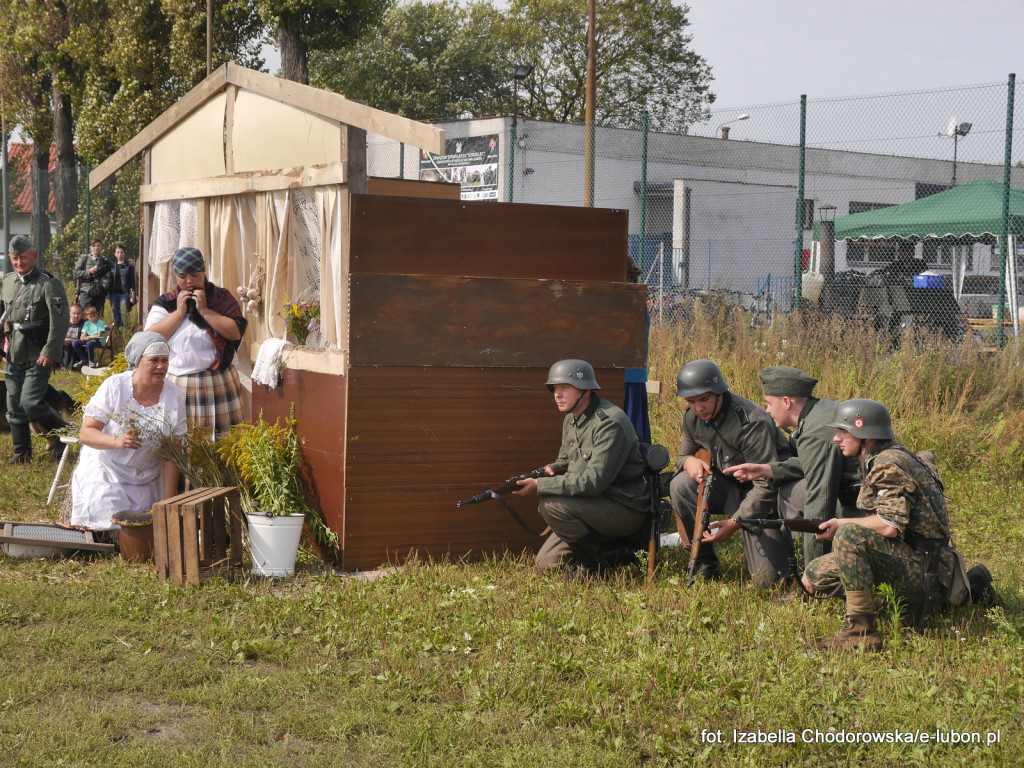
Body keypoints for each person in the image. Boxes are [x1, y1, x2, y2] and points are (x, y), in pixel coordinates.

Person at [801, 399, 958, 651]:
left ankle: (860, 633)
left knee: (850, 535)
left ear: (864, 433)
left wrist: (840, 523)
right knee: (815, 574)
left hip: (926, 569)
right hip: (919, 558)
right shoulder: (887, 454)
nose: (836, 438)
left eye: (843, 431)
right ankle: (888, 600)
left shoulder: (887, 463)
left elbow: (889, 525)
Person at [512, 359, 649, 575]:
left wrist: (540, 484)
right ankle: (619, 553)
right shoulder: (572, 419)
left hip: (624, 506)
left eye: (564, 387)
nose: (557, 394)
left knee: (551, 505)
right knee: (547, 564)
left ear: (585, 390)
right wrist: (547, 470)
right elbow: (565, 461)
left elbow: (593, 481)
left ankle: (593, 568)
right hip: (593, 505)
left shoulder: (609, 422)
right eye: (554, 388)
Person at [669, 359, 794, 588]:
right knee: (680, 484)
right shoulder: (692, 418)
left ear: (719, 393)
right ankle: (704, 564)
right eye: (691, 401)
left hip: (766, 499)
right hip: (729, 488)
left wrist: (735, 522)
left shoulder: (751, 422)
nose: (699, 408)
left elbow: (767, 485)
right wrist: (688, 462)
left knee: (768, 582)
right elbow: (681, 456)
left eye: (704, 399)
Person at [724, 366, 861, 571]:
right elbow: (813, 460)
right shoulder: (821, 411)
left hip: (863, 509)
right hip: (864, 500)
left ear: (787, 401)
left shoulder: (815, 432)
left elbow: (819, 505)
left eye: (769, 403)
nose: (767, 411)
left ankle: (825, 577)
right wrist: (767, 470)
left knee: (795, 496)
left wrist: (813, 574)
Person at [67, 332, 185, 532]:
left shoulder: (175, 396)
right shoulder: (115, 386)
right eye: (154, 360)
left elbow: (173, 454)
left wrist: (168, 503)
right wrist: (117, 441)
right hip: (107, 467)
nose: (161, 366)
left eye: (165, 360)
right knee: (107, 516)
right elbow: (86, 433)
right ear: (137, 361)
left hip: (147, 476)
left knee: (139, 527)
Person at [144, 247, 247, 437]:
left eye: (195, 275)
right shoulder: (166, 303)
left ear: (204, 273)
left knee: (223, 447)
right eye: (183, 276)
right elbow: (150, 338)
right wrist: (179, 313)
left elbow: (235, 332)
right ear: (176, 276)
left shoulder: (221, 298)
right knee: (183, 445)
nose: (189, 281)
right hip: (179, 387)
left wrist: (205, 311)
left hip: (219, 384)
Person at [0, 235, 70, 462]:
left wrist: (50, 351)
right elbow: (4, 315)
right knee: (13, 405)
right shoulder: (9, 281)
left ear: (34, 256)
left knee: (30, 402)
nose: (19, 263)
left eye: (23, 258)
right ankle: (22, 453)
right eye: (14, 259)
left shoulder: (49, 283)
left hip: (38, 351)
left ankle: (63, 434)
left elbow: (60, 322)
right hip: (14, 353)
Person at [73, 238, 112, 314]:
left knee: (98, 317)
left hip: (100, 292)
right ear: (90, 247)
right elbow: (76, 273)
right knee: (85, 316)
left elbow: (115, 267)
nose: (96, 248)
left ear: (101, 247)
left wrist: (128, 262)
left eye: (98, 246)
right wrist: (89, 272)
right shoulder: (84, 258)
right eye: (94, 246)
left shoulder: (105, 260)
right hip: (86, 291)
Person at [108, 244, 137, 329]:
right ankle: (118, 337)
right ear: (115, 254)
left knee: (125, 317)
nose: (120, 254)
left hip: (125, 294)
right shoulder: (112, 266)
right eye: (118, 252)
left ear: (124, 253)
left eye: (121, 252)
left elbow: (133, 281)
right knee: (116, 318)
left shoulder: (129, 266)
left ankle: (126, 336)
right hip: (114, 295)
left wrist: (133, 295)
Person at [61, 303, 84, 370]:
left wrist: (71, 340)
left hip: (78, 347)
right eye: (74, 313)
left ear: (81, 314)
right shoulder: (63, 322)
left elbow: (85, 338)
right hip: (63, 346)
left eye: (78, 313)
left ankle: (67, 366)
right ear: (69, 313)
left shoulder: (85, 323)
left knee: (72, 344)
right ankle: (64, 364)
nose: (76, 316)